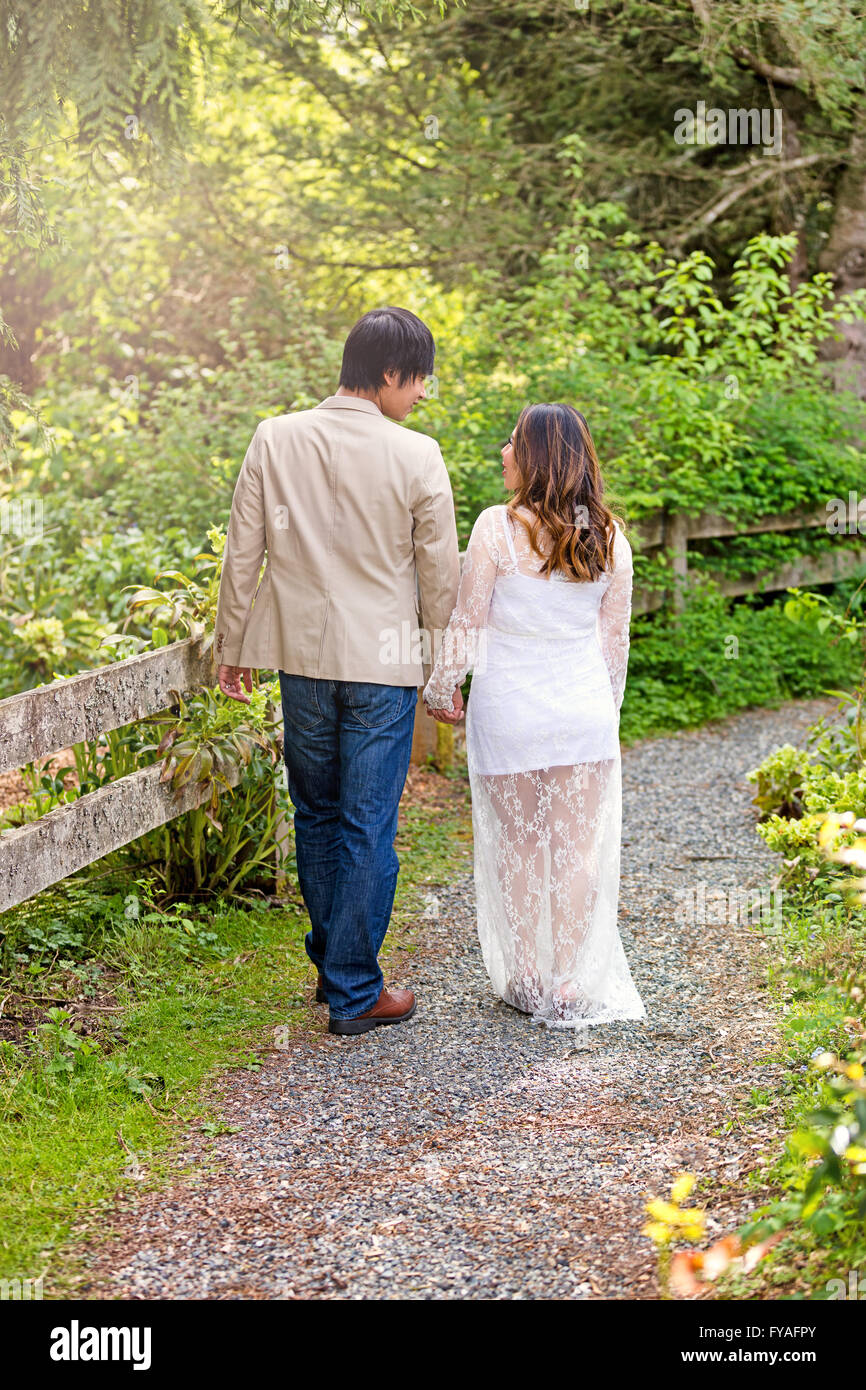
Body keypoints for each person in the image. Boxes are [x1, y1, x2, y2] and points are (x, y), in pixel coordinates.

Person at [215, 307, 460, 1035]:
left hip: (300, 656)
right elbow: (439, 575)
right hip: (382, 665)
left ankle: (335, 967)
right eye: (418, 380)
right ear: (389, 374)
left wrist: (232, 645)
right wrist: (445, 665)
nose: (421, 394)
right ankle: (355, 990)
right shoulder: (418, 455)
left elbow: (242, 549)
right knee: (367, 823)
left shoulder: (275, 437)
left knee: (317, 813)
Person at [422, 403, 646, 1029]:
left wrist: (442, 688)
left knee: (519, 845)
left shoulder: (496, 528)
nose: (503, 451)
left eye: (513, 441)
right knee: (576, 850)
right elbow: (614, 644)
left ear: (536, 454)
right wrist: (607, 713)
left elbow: (467, 625)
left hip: (511, 707)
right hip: (582, 710)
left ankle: (525, 974)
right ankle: (571, 981)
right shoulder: (607, 536)